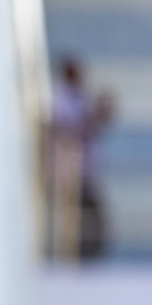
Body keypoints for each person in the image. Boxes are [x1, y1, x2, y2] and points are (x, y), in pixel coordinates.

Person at [52, 56, 114, 259]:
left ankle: (86, 255)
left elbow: (89, 126)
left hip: (87, 169)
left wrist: (100, 116)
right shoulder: (62, 98)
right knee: (79, 216)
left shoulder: (81, 98)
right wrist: (92, 119)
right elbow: (68, 129)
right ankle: (77, 255)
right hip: (72, 170)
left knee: (92, 218)